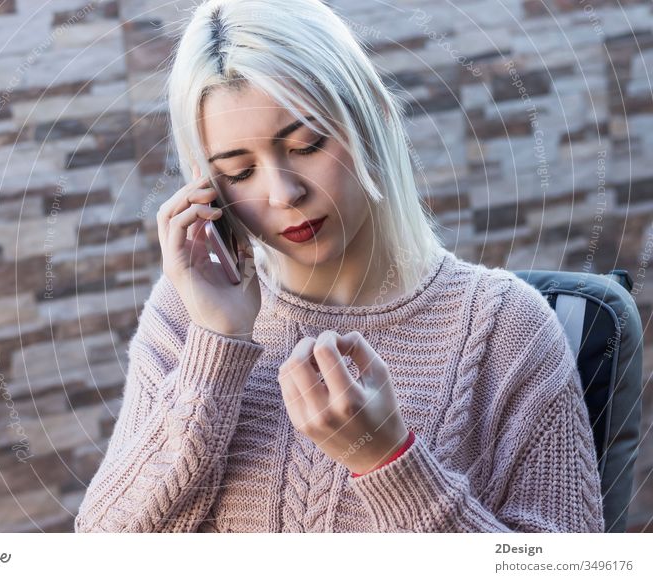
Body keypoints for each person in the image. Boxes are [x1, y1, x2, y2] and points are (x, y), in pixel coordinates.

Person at [74, 0, 604, 533]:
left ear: (371, 115)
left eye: (307, 145)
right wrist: (216, 345)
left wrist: (389, 461)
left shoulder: (506, 330)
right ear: (206, 184)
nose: (283, 193)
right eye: (239, 171)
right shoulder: (188, 314)